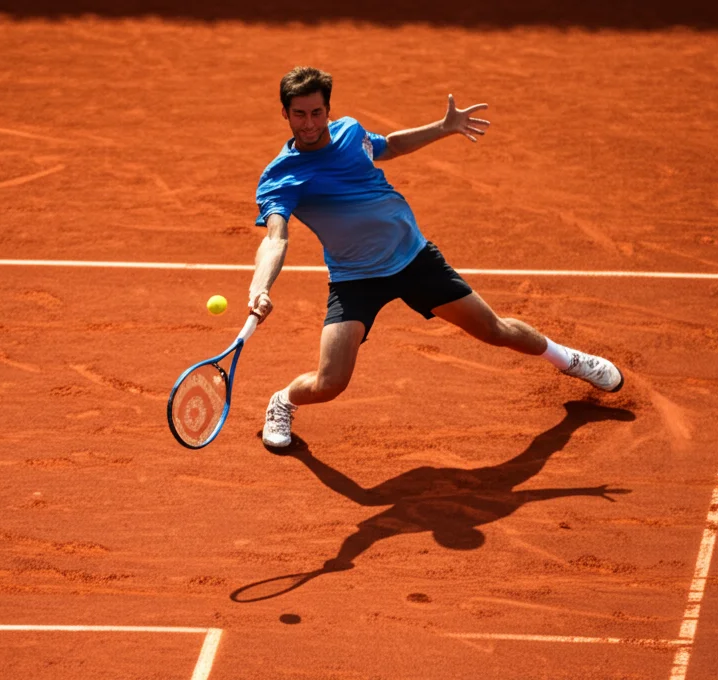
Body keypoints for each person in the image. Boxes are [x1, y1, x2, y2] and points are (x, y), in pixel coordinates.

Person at [248, 66, 623, 449]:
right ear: (285, 113)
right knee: (330, 383)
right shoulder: (281, 177)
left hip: (413, 259)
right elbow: (276, 238)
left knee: (494, 330)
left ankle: (569, 360)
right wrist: (260, 288)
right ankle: (283, 401)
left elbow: (389, 146)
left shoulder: (350, 131)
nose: (309, 123)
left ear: (328, 110)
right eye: (299, 114)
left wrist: (442, 128)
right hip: (355, 278)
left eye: (317, 112)